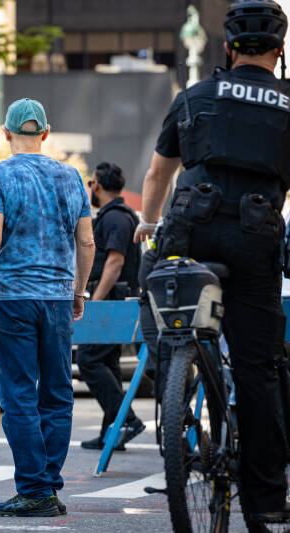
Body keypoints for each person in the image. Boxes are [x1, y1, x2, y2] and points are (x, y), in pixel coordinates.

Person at [134, 1, 290, 526]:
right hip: (255, 240)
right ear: (279, 51)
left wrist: (149, 224)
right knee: (258, 368)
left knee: (163, 302)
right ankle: (266, 498)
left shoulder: (194, 96)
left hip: (188, 233)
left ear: (226, 47)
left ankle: (175, 379)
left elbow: (157, 175)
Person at [0, 98, 94, 517]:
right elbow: (87, 243)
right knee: (57, 394)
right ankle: (46, 485)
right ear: (46, 134)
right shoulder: (72, 177)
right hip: (57, 299)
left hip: (12, 299)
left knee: (18, 395)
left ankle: (35, 490)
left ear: (6, 134)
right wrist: (78, 292)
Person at [78, 162, 145, 451]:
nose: (90, 188)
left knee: (89, 359)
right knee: (108, 362)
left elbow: (115, 262)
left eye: (91, 182)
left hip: (111, 299)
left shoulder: (116, 217)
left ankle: (127, 419)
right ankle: (112, 433)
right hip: (114, 297)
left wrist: (96, 301)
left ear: (98, 186)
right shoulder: (117, 215)